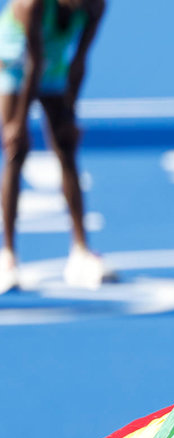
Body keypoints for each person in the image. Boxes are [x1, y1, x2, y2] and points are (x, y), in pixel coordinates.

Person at [0, 0, 105, 294]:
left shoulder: (95, 7)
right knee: (15, 153)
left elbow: (79, 62)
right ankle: (7, 256)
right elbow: (33, 63)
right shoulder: (30, 6)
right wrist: (18, 125)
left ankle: (81, 252)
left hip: (52, 60)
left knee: (66, 148)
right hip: (14, 61)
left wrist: (70, 113)